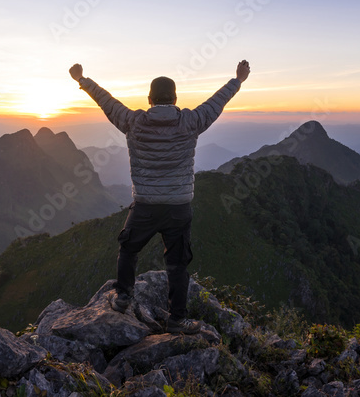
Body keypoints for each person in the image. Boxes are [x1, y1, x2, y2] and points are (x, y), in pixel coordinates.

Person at [69, 60, 250, 334]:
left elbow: (106, 101)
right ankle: (177, 320)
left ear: (150, 99)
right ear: (175, 98)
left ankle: (123, 298)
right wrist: (237, 80)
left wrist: (82, 80)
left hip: (145, 206)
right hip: (178, 208)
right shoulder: (191, 121)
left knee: (129, 249)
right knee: (177, 264)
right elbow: (216, 103)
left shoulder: (133, 122)